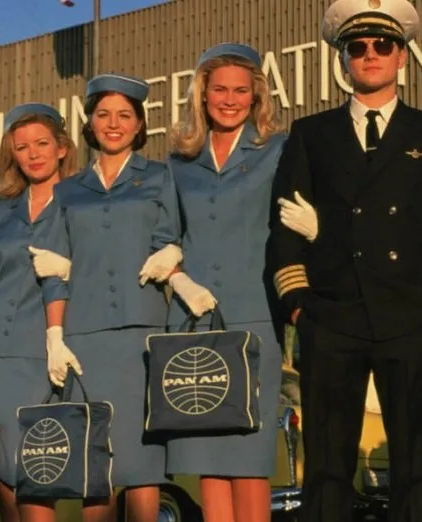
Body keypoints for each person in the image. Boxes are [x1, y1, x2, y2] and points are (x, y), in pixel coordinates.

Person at [266, 0, 422, 520]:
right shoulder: (311, 134)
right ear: (342, 60)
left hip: (411, 318)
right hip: (331, 318)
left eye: (383, 44)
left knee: (416, 471)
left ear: (402, 56)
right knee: (326, 472)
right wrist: (300, 309)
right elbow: (284, 228)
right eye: (356, 46)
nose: (370, 54)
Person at [32, 74, 180, 522]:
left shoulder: (160, 177)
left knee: (143, 466)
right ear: (90, 123)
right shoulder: (67, 191)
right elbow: (54, 271)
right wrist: (55, 336)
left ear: (140, 124)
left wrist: (172, 252)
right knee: (94, 467)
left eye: (124, 115)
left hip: (144, 338)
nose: (113, 124)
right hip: (86, 341)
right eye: (103, 115)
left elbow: (174, 240)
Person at [151, 42, 285, 522]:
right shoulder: (179, 162)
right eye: (220, 90)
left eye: (240, 91)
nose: (230, 100)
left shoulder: (278, 150)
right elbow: (164, 238)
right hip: (194, 320)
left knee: (249, 456)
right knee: (208, 459)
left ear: (256, 96)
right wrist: (180, 280)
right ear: (203, 95)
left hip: (256, 315)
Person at [0, 104, 76, 522]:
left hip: (42, 352)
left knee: (35, 471)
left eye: (41, 143)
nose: (33, 154)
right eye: (22, 147)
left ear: (62, 148)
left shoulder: (80, 203)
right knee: (3, 475)